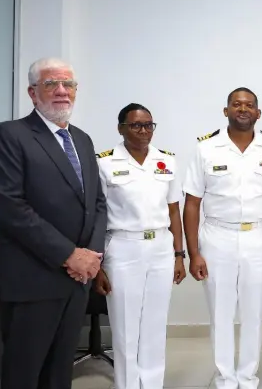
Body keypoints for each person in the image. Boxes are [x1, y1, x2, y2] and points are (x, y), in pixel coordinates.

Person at [0, 57, 107, 389]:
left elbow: (97, 203)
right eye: (51, 84)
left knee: (59, 373)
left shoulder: (82, 140)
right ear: (32, 92)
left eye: (69, 84)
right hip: (32, 279)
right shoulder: (10, 135)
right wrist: (70, 255)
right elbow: (10, 207)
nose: (62, 91)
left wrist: (92, 256)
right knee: (25, 374)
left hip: (76, 281)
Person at [183, 88, 262, 389]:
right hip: (217, 237)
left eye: (249, 105)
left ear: (258, 113)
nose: (243, 109)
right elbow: (192, 203)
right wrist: (193, 252)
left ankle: (247, 377)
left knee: (253, 314)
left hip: (258, 237)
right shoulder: (206, 148)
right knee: (221, 314)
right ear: (226, 110)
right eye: (236, 104)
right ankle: (225, 379)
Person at [93, 103, 187, 389]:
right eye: (136, 125)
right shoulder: (105, 162)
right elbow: (97, 215)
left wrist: (179, 254)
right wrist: (97, 263)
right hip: (123, 247)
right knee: (125, 328)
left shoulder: (166, 160)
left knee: (155, 325)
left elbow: (174, 210)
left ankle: (152, 384)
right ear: (121, 128)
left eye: (148, 125)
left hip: (161, 246)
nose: (144, 130)